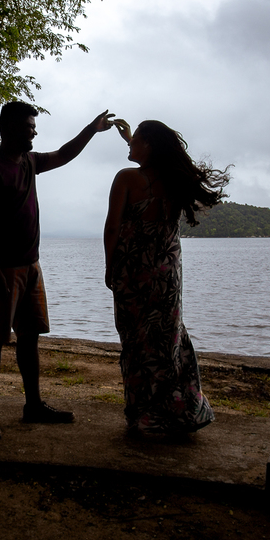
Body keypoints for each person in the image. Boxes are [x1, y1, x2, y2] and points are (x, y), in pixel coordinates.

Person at [0, 101, 115, 440]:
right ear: (8, 129)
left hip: (31, 265)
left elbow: (64, 154)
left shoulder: (29, 163)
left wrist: (91, 130)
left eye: (35, 127)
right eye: (29, 127)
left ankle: (32, 405)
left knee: (30, 336)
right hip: (2, 267)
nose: (34, 132)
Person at [103, 120, 229, 438]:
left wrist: (109, 266)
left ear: (149, 145)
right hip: (167, 274)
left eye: (135, 142)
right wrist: (132, 136)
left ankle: (146, 416)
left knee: (136, 341)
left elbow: (112, 229)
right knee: (166, 339)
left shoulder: (126, 178)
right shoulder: (174, 179)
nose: (128, 147)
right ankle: (179, 410)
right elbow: (151, 158)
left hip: (134, 273)